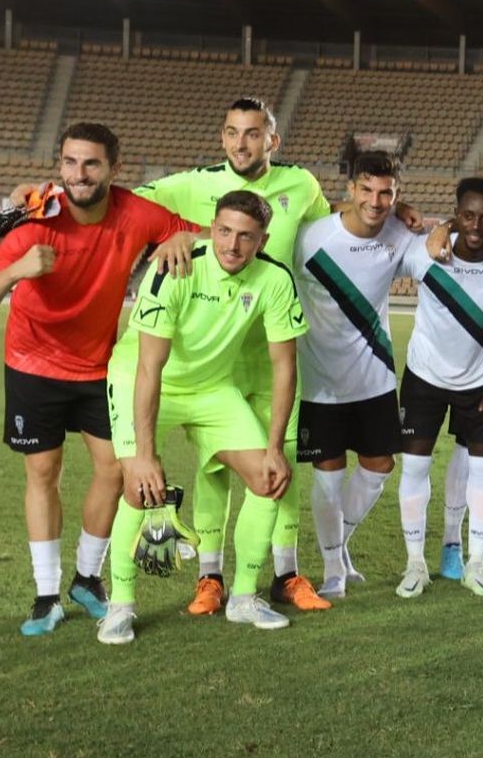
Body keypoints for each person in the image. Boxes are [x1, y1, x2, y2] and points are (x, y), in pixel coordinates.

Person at [0, 122, 196, 636]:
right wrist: (17, 270)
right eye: (69, 162)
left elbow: (196, 232)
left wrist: (178, 235)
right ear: (59, 165)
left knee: (113, 471)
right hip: (32, 366)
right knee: (43, 475)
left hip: (97, 366)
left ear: (115, 166)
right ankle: (46, 595)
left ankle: (87, 580)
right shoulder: (33, 219)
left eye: (90, 164)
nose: (78, 174)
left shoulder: (137, 212)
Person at [128, 97, 336, 615]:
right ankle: (210, 578)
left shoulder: (302, 186)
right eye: (231, 133)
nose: (240, 143)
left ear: (273, 140)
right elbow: (118, 204)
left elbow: (336, 226)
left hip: (274, 352)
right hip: (215, 361)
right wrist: (174, 232)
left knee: (278, 465)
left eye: (252, 133)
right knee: (214, 471)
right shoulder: (194, 184)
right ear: (222, 137)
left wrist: (395, 216)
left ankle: (286, 574)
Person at [96, 191, 305, 643]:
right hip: (146, 379)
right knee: (138, 484)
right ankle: (120, 605)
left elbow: (285, 366)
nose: (232, 245)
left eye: (246, 236)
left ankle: (245, 599)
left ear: (262, 240)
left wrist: (273, 447)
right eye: (224, 231)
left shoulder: (274, 279)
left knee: (270, 478)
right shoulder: (176, 265)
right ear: (212, 228)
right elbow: (150, 367)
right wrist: (145, 455)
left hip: (213, 389)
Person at [393, 178, 483, 598]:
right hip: (424, 376)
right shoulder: (426, 252)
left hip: (481, 382)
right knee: (415, 467)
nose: (476, 226)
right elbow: (378, 233)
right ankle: (415, 563)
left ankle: (476, 564)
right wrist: (429, 223)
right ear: (456, 215)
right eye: (467, 216)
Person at [295, 152, 419, 598]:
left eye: (386, 192)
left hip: (376, 377)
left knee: (379, 464)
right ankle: (333, 570)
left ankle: (338, 544)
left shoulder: (399, 236)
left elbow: (438, 247)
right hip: (320, 380)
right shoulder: (309, 239)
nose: (375, 200)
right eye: (366, 190)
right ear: (349, 190)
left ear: (396, 194)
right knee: (328, 476)